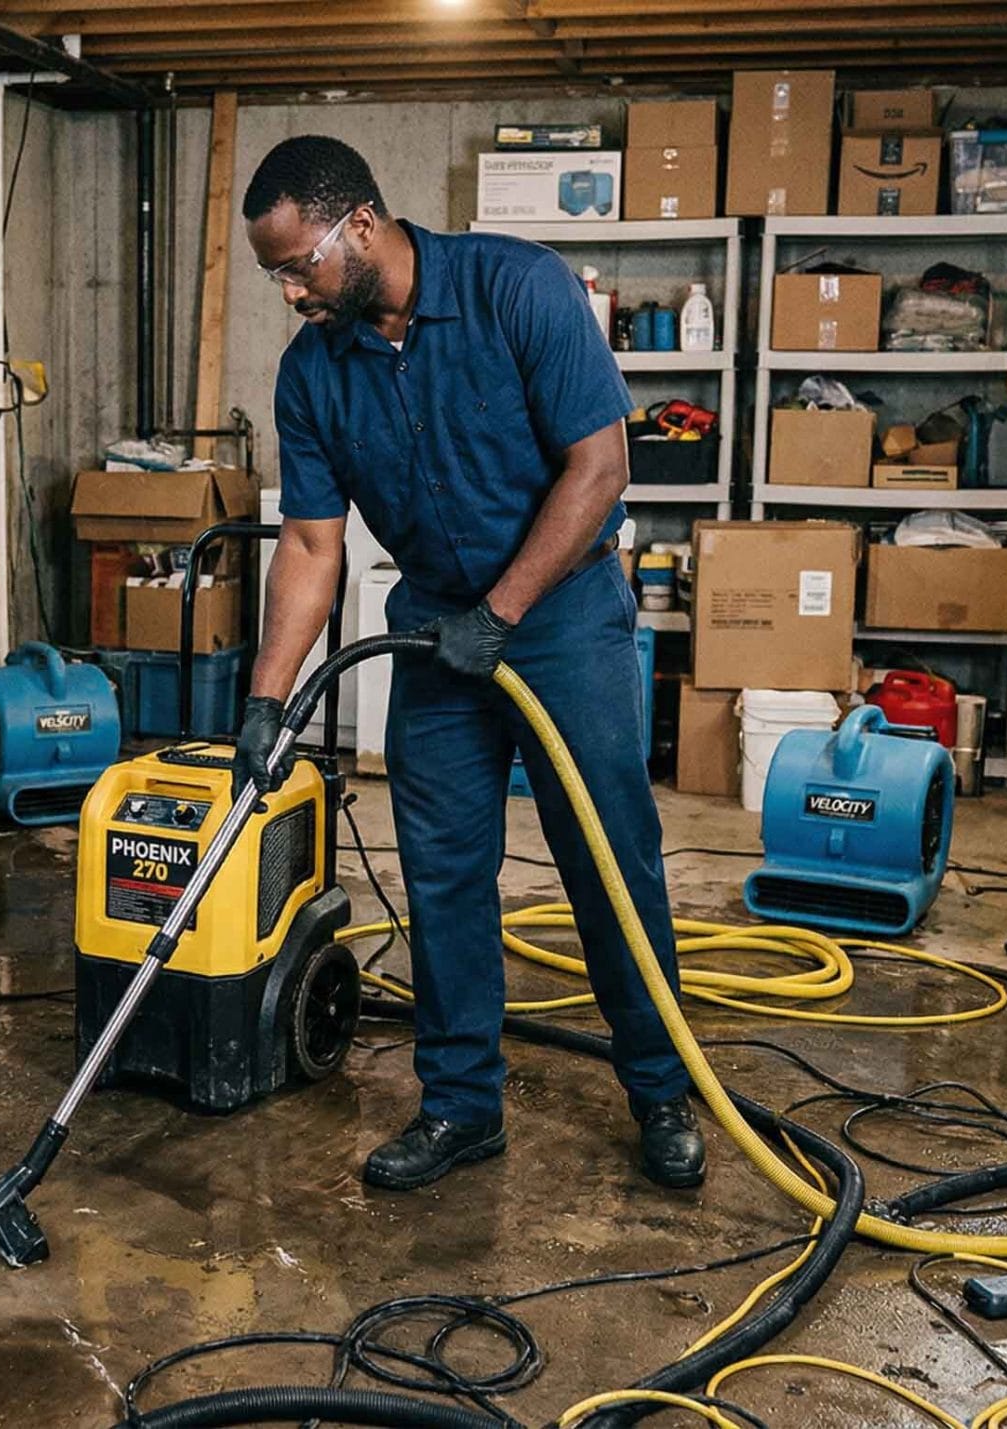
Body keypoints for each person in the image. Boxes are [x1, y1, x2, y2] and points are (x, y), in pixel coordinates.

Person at [232, 137, 704, 1192]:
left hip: (563, 618)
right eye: (273, 274)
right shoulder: (313, 371)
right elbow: (312, 545)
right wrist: (266, 700)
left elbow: (600, 467)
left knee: (606, 860)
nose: (289, 292)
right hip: (438, 635)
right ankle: (459, 1107)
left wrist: (503, 609)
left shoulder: (516, 290)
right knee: (441, 875)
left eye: (296, 264)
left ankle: (662, 1088)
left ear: (359, 225)